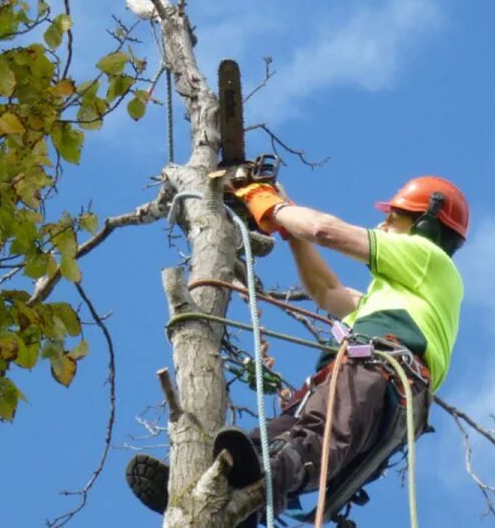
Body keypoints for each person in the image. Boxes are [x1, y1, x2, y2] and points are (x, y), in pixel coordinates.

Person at [126, 176, 468, 525]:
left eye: (394, 217)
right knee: (260, 442)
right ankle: (215, 497)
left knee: (313, 442)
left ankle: (252, 489)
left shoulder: (429, 260)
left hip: (380, 374)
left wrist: (271, 206)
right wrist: (287, 227)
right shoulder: (394, 296)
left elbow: (323, 230)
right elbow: (326, 289)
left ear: (426, 221)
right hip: (354, 378)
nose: (382, 223)